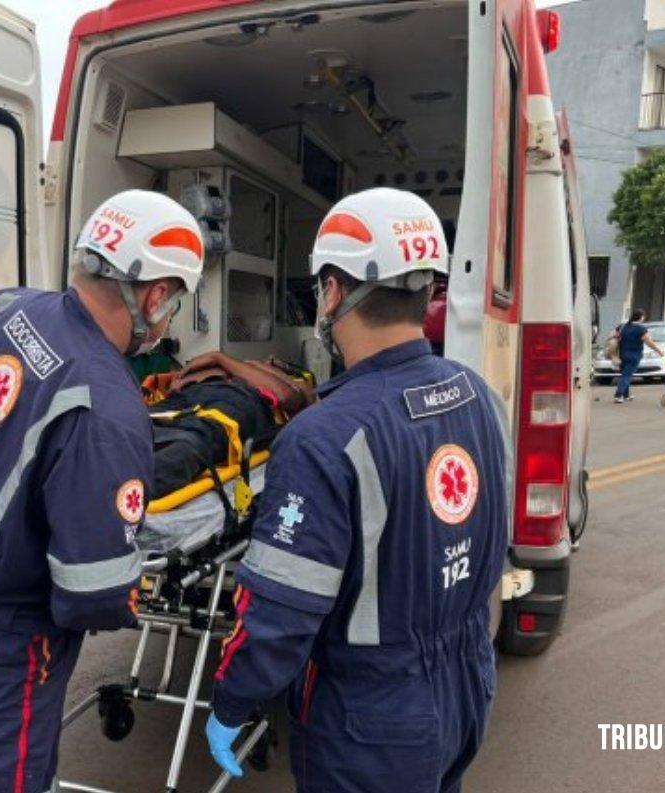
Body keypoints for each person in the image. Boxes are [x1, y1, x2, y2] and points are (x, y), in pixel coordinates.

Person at [204, 188, 510, 793]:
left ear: (335, 292)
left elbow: (280, 616)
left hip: (371, 720)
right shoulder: (480, 397)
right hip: (467, 684)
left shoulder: (323, 437)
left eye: (322, 287)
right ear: (427, 288)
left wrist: (232, 700)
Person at [0, 189, 203, 793]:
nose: (167, 317)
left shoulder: (8, 307)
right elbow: (90, 592)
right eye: (173, 302)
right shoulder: (108, 406)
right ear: (154, 296)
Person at [613, 309, 664, 404]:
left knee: (625, 373)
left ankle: (626, 395)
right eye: (643, 316)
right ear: (641, 317)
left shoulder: (623, 326)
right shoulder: (641, 329)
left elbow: (614, 336)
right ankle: (618, 395)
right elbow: (649, 342)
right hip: (634, 355)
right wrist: (659, 351)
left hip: (622, 354)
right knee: (627, 375)